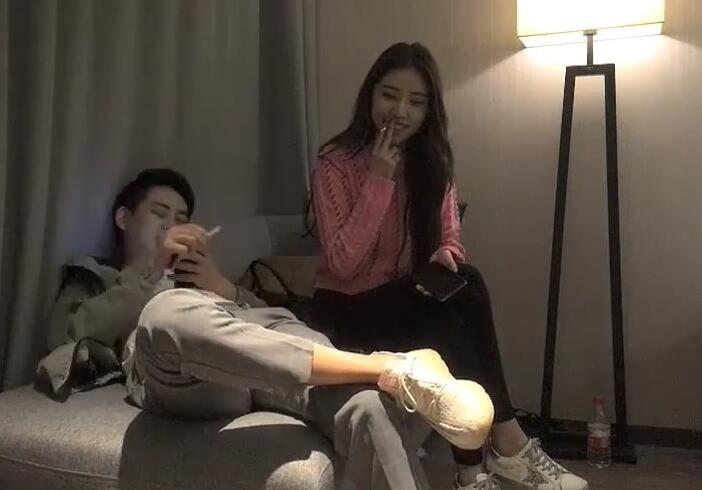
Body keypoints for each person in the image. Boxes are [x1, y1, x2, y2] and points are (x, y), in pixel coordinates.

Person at [36, 168, 496, 490]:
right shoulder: (96, 274)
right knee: (167, 312)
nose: (174, 225)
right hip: (187, 373)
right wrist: (151, 271)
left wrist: (223, 288)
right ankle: (389, 367)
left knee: (367, 407)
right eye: (160, 213)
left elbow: (263, 323)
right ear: (124, 218)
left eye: (182, 217)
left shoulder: (204, 278)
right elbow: (68, 333)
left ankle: (391, 381)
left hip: (262, 353)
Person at [305, 42, 589, 490]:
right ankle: (500, 450)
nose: (400, 111)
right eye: (389, 95)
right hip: (344, 312)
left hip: (404, 304)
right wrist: (378, 178)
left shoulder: (432, 163)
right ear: (369, 95)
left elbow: (450, 237)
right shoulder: (335, 164)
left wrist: (447, 257)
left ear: (429, 110)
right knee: (445, 315)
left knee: (464, 284)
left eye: (415, 102)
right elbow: (342, 265)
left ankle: (481, 464)